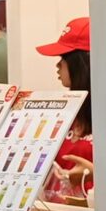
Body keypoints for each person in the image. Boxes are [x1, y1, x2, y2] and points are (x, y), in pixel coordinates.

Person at [39, 17, 94, 199]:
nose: (58, 65)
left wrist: (94, 173)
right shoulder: (65, 113)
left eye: (63, 58)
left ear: (82, 63)